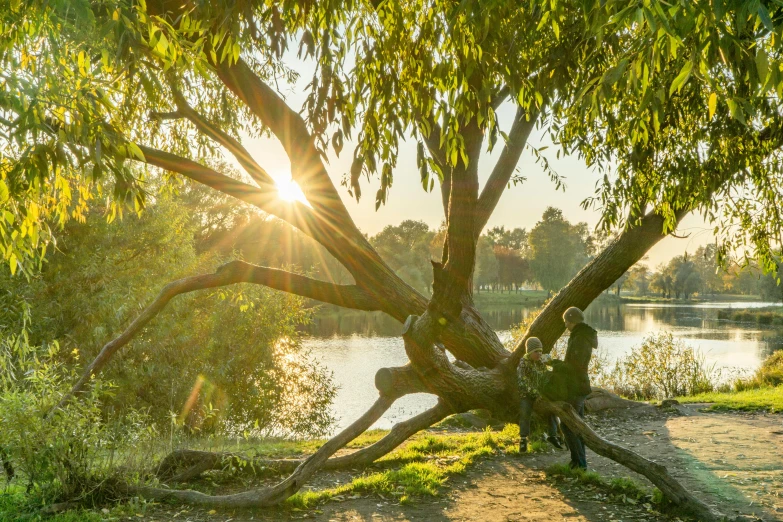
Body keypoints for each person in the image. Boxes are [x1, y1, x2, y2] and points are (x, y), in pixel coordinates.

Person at [560, 306, 597, 470]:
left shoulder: (580, 338)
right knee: (575, 425)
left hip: (577, 386)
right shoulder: (581, 335)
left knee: (569, 425)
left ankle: (580, 463)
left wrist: (555, 365)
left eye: (566, 322)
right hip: (577, 385)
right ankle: (577, 461)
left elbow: (575, 365)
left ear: (572, 320)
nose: (565, 325)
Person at [516, 337, 564, 453]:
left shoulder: (541, 362)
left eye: (540, 351)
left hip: (541, 394)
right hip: (527, 394)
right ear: (530, 352)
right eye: (536, 351)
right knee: (525, 412)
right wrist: (535, 393)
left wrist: (549, 361)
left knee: (552, 409)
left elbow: (546, 376)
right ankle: (523, 439)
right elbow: (522, 381)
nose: (539, 354)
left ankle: (553, 436)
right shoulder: (523, 363)